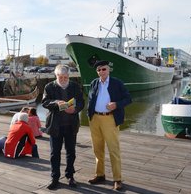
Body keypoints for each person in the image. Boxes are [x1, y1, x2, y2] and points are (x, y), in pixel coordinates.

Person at [87, 60, 132, 191]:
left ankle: (117, 179)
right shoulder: (94, 83)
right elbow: (90, 99)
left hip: (110, 119)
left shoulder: (117, 83)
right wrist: (89, 115)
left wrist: (116, 104)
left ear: (108, 70)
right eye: (99, 70)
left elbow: (128, 98)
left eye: (104, 69)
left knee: (113, 150)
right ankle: (100, 175)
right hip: (95, 119)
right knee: (97, 149)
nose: (101, 72)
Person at [42, 64, 84, 190]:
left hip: (71, 125)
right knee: (55, 153)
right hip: (55, 125)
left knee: (71, 152)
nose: (64, 80)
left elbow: (82, 102)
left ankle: (70, 176)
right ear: (56, 76)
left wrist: (75, 109)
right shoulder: (49, 86)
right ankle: (55, 177)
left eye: (66, 77)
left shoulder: (75, 86)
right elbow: (44, 102)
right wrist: (56, 102)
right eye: (61, 77)